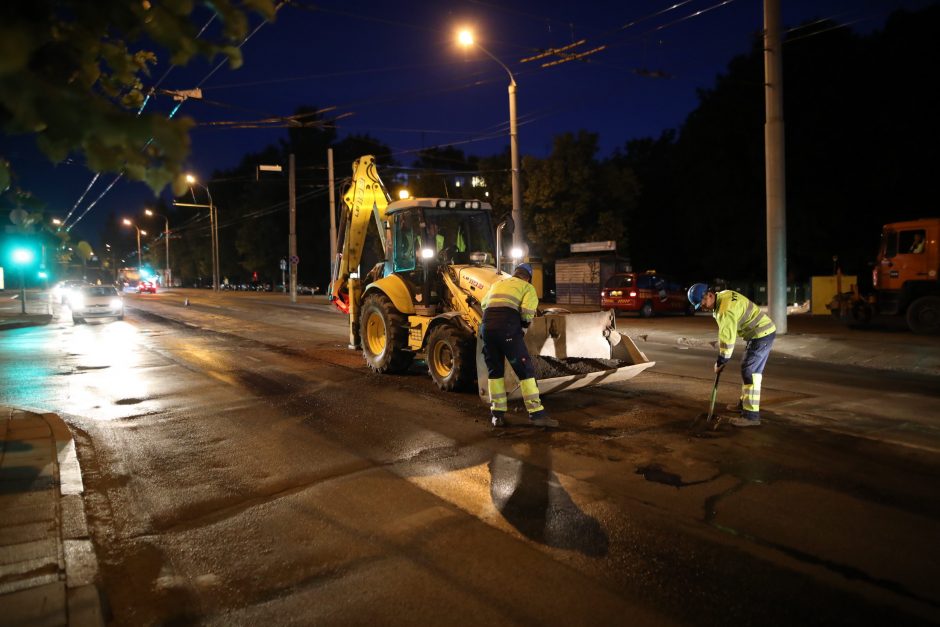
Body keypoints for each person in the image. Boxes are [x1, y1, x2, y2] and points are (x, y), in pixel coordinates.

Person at [687, 283, 776, 427]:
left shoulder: (724, 310)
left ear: (709, 295)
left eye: (702, 302)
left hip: (761, 335)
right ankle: (744, 405)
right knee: (749, 370)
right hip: (759, 333)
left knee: (750, 371)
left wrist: (721, 362)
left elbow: (727, 340)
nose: (702, 307)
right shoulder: (724, 295)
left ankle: (751, 416)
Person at [480, 263, 558, 428]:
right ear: (528, 278)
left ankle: (497, 415)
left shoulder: (497, 284)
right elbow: (528, 311)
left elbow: (484, 305)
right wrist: (522, 327)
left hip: (487, 330)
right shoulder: (527, 288)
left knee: (495, 372)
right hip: (507, 331)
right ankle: (536, 414)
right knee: (525, 371)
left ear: (515, 273)